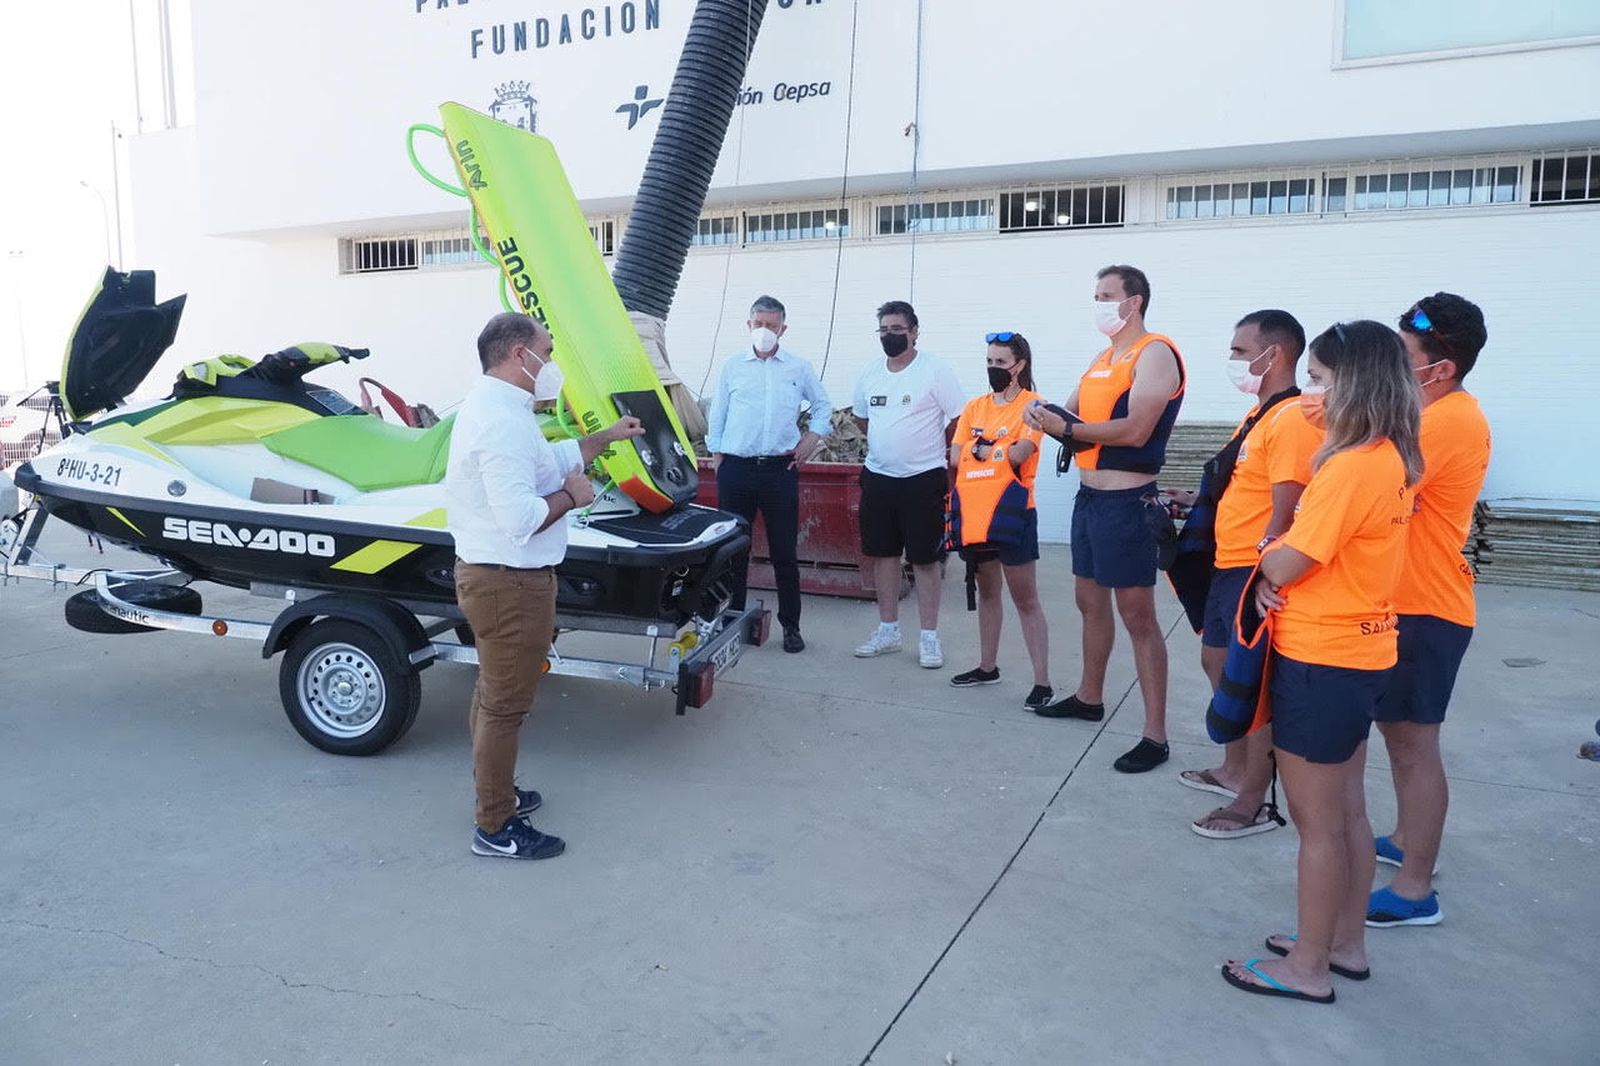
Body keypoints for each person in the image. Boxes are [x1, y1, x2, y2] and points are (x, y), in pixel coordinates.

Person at [1221, 319, 1421, 1004]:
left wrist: (1268, 556)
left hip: (1323, 658)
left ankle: (1308, 966)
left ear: (1353, 384)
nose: (1311, 395)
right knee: (1346, 814)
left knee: (1317, 824)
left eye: (1319, 380)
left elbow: (1287, 557)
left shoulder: (1353, 466)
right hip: (1359, 652)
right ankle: (1343, 944)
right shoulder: (1389, 456)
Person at [447, 312, 645, 860]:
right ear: (518, 355)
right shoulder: (501, 421)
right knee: (505, 705)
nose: (552, 362)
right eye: (548, 351)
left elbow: (548, 461)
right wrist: (574, 499)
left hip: (502, 576)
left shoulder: (501, 409)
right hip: (509, 582)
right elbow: (520, 516)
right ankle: (495, 825)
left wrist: (604, 437)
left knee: (494, 694)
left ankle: (497, 793)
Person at [1024, 265, 1185, 774]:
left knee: (1138, 617)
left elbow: (1137, 430)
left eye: (1107, 295)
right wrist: (1042, 418)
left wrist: (1066, 426)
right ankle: (1088, 697)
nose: (1098, 303)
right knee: (1088, 603)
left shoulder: (1155, 353)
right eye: (1095, 294)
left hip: (1128, 503)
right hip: (1089, 501)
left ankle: (1154, 735)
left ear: (1133, 301)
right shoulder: (1103, 358)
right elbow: (1070, 422)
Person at [1367, 293, 1491, 928]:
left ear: (1439, 368)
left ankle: (1416, 889)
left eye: (1401, 358)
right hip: (1409, 601)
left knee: (1416, 746)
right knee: (1401, 739)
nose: (1391, 369)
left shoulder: (1446, 422)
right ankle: (1409, 842)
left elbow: (1371, 483)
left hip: (1426, 606)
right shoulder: (1431, 412)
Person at [1173, 310, 1322, 839]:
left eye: (1240, 351)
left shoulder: (1291, 417)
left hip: (1250, 568)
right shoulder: (1259, 415)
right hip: (1226, 560)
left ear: (1274, 354)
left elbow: (1288, 504)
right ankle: (1235, 767)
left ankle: (1253, 799)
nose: (1233, 360)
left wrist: (1267, 570)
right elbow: (1250, 484)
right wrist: (1196, 503)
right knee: (1219, 663)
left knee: (1249, 683)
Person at [706, 295, 833, 653]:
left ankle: (790, 626)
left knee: (784, 553)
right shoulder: (733, 366)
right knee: (733, 551)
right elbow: (719, 412)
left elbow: (823, 405)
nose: (765, 331)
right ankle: (731, 620)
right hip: (737, 469)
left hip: (780, 469)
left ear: (783, 329)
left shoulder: (798, 368)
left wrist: (811, 440)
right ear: (749, 325)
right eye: (759, 324)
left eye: (772, 326)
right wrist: (718, 456)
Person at [851, 300, 966, 668]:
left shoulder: (934, 371)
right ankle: (888, 631)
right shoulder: (870, 373)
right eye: (884, 330)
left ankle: (929, 638)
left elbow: (958, 418)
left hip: (923, 480)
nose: (890, 336)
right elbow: (862, 420)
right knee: (883, 555)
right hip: (879, 479)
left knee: (925, 559)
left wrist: (939, 453)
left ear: (914, 331)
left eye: (897, 330)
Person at [946, 331, 1053, 710]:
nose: (993, 368)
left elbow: (1022, 452)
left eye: (1000, 363)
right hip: (975, 513)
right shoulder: (974, 407)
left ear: (1019, 365)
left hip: (1013, 511)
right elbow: (956, 455)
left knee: (1026, 598)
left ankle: (1042, 682)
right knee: (988, 592)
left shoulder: (1034, 405)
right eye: (989, 362)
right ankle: (986, 666)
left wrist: (985, 449)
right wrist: (993, 451)